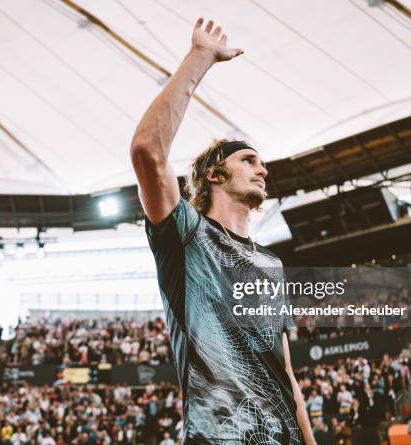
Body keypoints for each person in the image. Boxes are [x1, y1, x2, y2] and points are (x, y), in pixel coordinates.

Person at [130, 17, 314, 445]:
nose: (262, 168)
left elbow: (285, 373)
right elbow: (147, 151)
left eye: (261, 162)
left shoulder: (271, 263)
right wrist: (201, 57)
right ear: (215, 174)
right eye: (248, 160)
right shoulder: (186, 236)